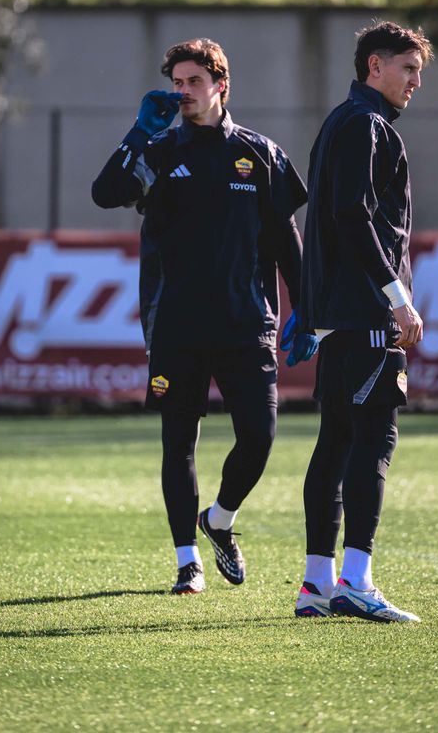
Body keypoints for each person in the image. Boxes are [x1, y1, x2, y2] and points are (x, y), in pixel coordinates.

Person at [92, 37, 317, 594]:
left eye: (194, 81)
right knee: (179, 443)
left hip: (248, 323)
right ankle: (187, 561)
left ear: (221, 84)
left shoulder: (259, 152)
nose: (183, 92)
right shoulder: (160, 151)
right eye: (177, 83)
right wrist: (138, 133)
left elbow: (287, 239)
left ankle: (218, 519)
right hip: (177, 323)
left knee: (260, 438)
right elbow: (105, 193)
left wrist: (309, 305)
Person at [294, 20, 434, 623]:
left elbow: (330, 220)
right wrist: (397, 296)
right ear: (374, 66)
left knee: (337, 442)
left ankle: (317, 584)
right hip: (366, 313)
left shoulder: (341, 123)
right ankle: (354, 580)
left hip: (342, 313)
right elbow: (353, 218)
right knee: (373, 438)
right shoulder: (364, 125)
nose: (415, 83)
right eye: (408, 69)